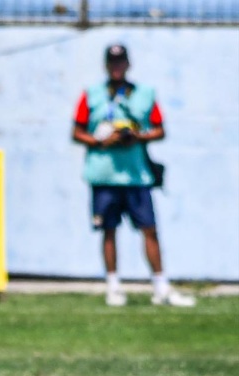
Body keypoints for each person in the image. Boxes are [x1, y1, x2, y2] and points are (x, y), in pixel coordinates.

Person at [72, 44, 194, 307]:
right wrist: (101, 140)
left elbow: (159, 130)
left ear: (128, 64)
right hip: (103, 175)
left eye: (121, 62)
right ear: (106, 65)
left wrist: (137, 136)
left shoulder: (144, 94)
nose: (116, 67)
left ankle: (161, 287)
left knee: (149, 229)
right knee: (108, 230)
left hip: (136, 175)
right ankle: (113, 286)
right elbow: (77, 131)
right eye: (112, 62)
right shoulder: (91, 95)